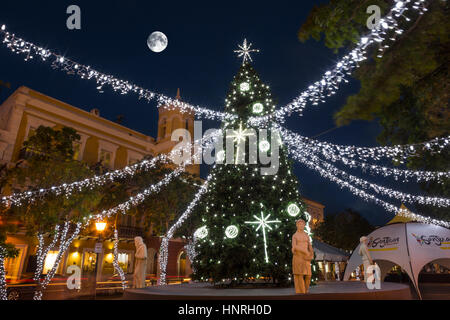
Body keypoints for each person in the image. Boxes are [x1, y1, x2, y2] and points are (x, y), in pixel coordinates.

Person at [292, 219, 314, 294]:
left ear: (304, 225)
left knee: (309, 275)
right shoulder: (295, 236)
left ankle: (306, 289)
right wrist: (304, 251)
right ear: (297, 225)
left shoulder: (306, 235)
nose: (301, 226)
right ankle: (302, 292)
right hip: (298, 256)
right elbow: (294, 247)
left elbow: (310, 245)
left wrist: (311, 254)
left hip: (306, 257)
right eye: (299, 224)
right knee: (299, 275)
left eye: (302, 224)